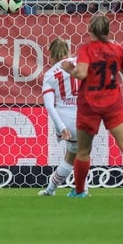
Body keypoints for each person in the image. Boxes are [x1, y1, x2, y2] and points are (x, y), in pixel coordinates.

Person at [60, 14, 123, 198]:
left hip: (90, 104)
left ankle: (79, 191)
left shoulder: (86, 49)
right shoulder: (118, 49)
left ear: (89, 30)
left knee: (83, 151)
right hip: (113, 103)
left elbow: (80, 74)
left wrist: (68, 68)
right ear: (108, 30)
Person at [38, 39, 87, 196]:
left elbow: (50, 106)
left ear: (51, 58)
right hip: (86, 116)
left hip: (68, 121)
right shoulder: (79, 63)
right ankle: (78, 189)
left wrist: (61, 127)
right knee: (79, 155)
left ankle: (53, 190)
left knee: (72, 157)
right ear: (68, 52)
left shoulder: (50, 74)